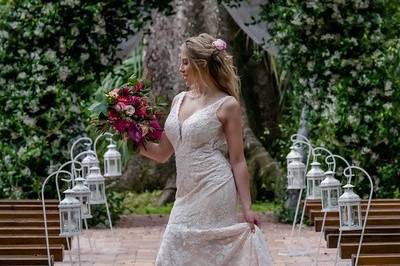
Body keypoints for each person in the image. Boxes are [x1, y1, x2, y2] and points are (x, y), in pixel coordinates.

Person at [138, 33, 271, 265]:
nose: (181, 68)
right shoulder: (178, 100)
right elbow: (162, 153)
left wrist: (247, 207)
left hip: (215, 186)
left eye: (185, 62)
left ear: (201, 64)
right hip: (185, 192)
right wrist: (131, 134)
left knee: (210, 254)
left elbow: (238, 160)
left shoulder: (227, 105)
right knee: (174, 244)